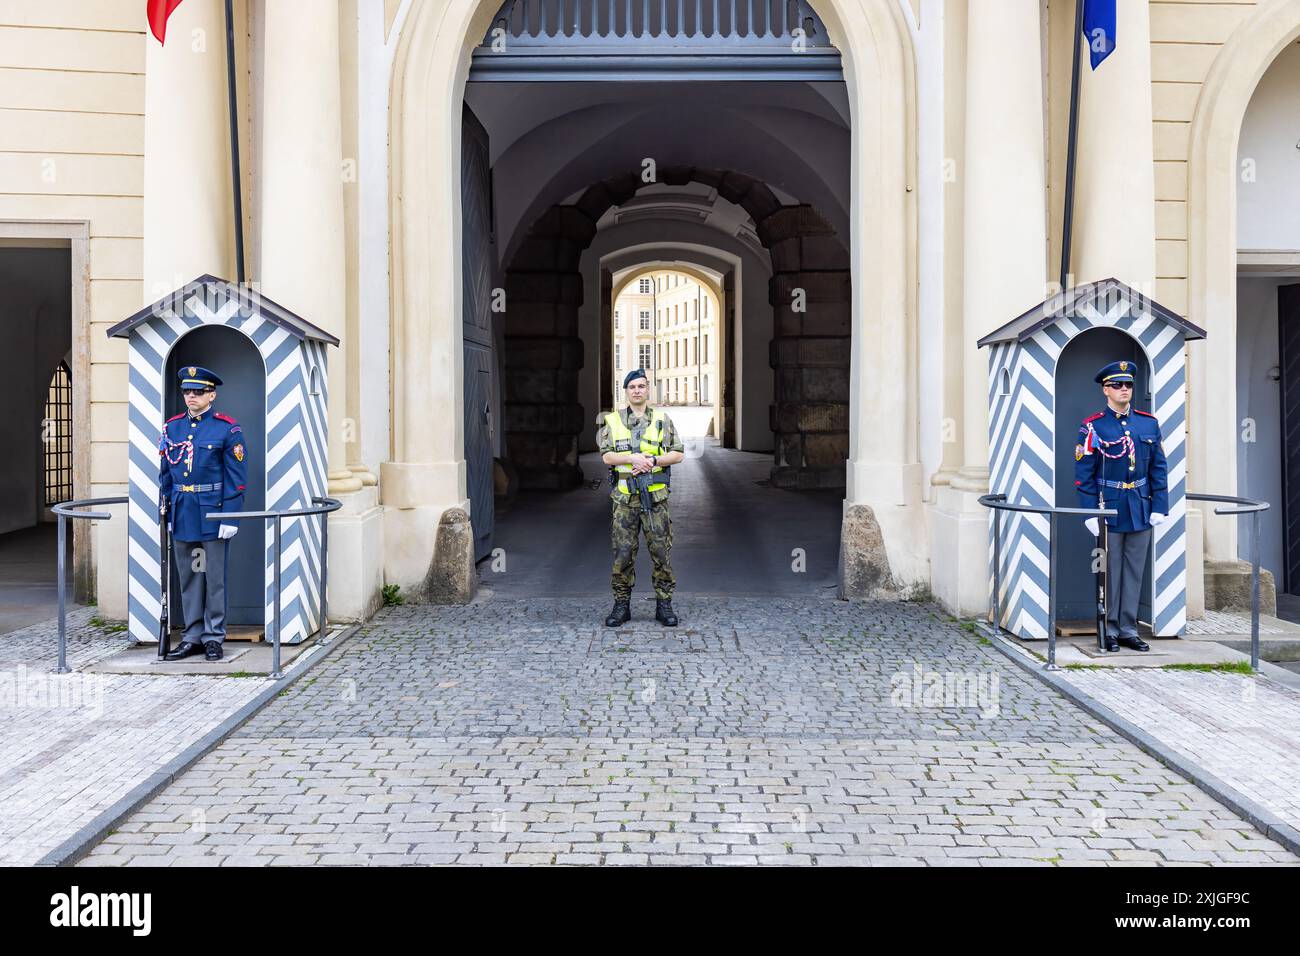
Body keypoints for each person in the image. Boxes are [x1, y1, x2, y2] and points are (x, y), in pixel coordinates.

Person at [1074, 360, 1168, 652]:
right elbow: (1084, 473)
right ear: (1106, 390)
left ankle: (1129, 628)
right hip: (1109, 508)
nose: (1124, 389)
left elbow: (1158, 468)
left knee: (1134, 570)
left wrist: (1159, 506)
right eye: (1117, 385)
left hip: (1140, 506)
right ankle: (1109, 629)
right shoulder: (1093, 426)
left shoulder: (1147, 423)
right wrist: (1090, 511)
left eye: (1128, 384)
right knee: (1108, 570)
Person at [157, 365, 248, 661]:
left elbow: (237, 476)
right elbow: (166, 474)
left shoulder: (226, 428)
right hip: (183, 511)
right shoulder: (172, 428)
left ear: (212, 394)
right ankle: (193, 636)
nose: (191, 396)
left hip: (213, 512)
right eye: (186, 391)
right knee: (190, 576)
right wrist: (167, 509)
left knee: (214, 577)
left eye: (198, 391)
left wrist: (230, 516)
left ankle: (213, 636)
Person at [597, 369, 685, 627]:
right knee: (623, 555)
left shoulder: (662, 419)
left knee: (661, 552)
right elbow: (606, 456)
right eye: (632, 387)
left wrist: (653, 460)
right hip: (625, 501)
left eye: (641, 386)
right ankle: (621, 606)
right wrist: (631, 458)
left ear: (648, 390)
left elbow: (678, 453)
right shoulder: (613, 421)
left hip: (655, 499)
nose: (637, 390)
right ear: (626, 392)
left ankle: (664, 604)